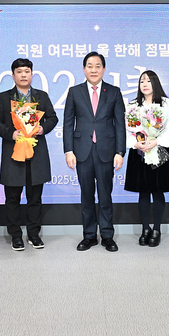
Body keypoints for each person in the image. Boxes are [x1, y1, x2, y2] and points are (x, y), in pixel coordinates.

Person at [0, 59, 58, 251]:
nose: (23, 75)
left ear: (32, 74)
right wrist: (11, 134)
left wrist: (43, 129)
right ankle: (16, 236)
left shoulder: (41, 96)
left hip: (36, 154)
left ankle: (34, 234)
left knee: (35, 198)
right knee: (12, 198)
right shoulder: (3, 97)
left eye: (27, 71)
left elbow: (53, 118)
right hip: (14, 154)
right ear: (13, 76)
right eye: (19, 71)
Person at [63, 51, 125, 252]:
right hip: (82, 151)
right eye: (90, 66)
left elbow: (120, 124)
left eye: (98, 66)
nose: (94, 70)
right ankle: (89, 236)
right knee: (86, 195)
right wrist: (68, 150)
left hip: (107, 151)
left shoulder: (113, 92)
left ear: (104, 69)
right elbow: (68, 123)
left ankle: (107, 236)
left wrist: (120, 152)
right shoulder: (74, 92)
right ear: (84, 69)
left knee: (105, 195)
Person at [124, 70, 169, 247]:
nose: (145, 84)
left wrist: (155, 141)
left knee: (157, 190)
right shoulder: (133, 105)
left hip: (159, 150)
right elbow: (127, 129)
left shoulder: (165, 103)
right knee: (143, 191)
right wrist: (136, 143)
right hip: (139, 152)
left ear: (155, 83)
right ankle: (145, 229)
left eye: (148, 81)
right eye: (142, 81)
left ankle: (156, 229)